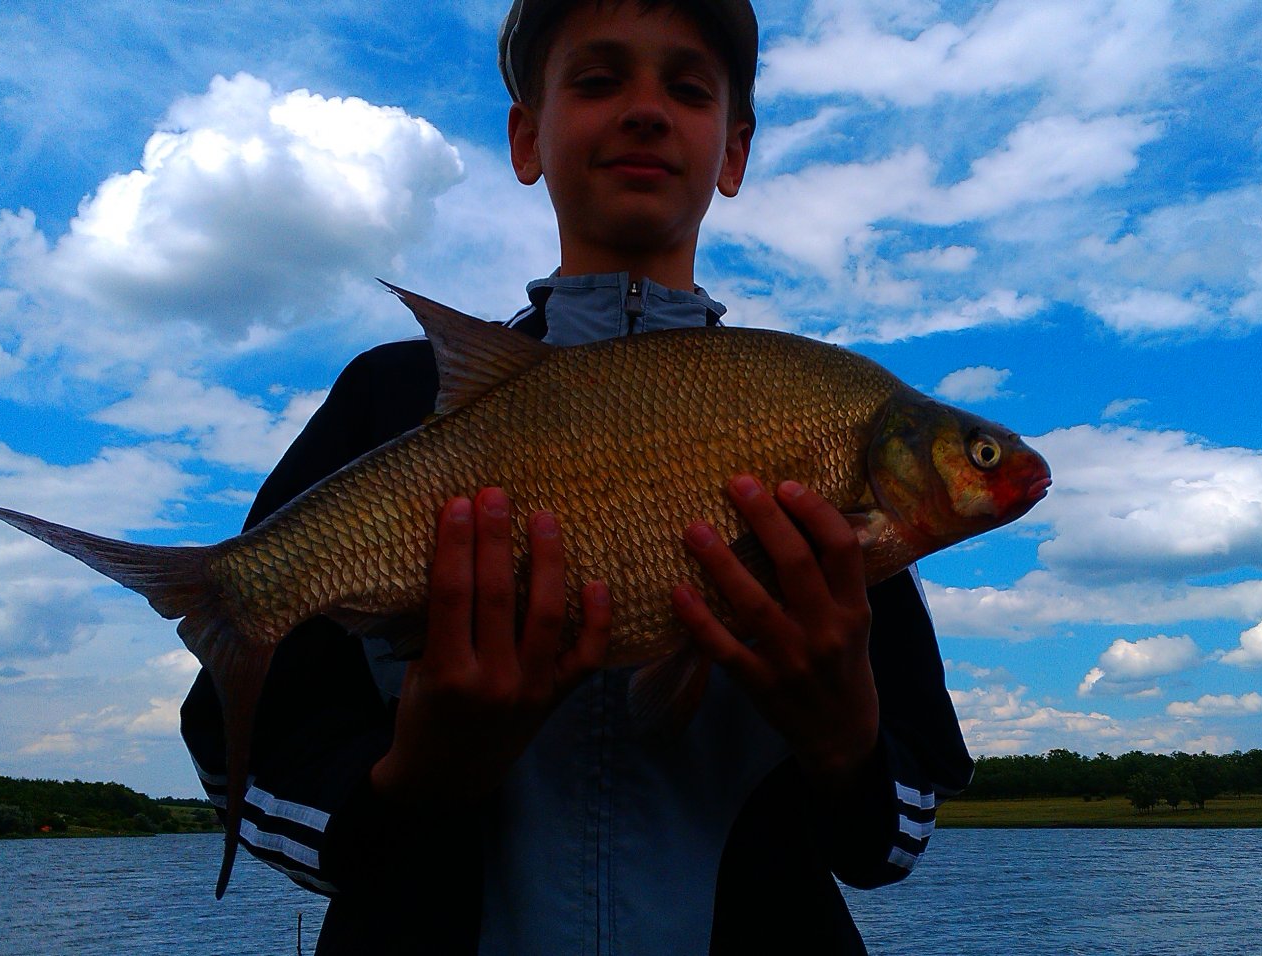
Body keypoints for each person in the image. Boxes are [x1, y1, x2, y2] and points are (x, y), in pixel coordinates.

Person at [180, 1, 974, 952]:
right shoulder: (393, 400)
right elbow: (241, 758)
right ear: (528, 138)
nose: (645, 110)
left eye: (688, 89)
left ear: (733, 151)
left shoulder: (817, 433)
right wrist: (414, 780)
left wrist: (846, 741)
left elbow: (893, 837)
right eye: (598, 81)